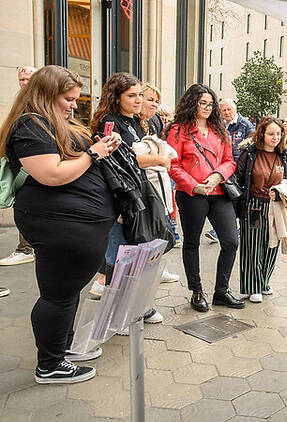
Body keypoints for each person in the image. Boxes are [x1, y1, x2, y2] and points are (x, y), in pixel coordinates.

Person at [0, 65, 120, 383]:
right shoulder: (29, 125)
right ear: (46, 95)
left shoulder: (47, 124)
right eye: (68, 99)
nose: (72, 105)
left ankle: (59, 352)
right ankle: (50, 364)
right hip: (57, 224)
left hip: (72, 223)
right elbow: (51, 174)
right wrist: (93, 154)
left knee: (65, 293)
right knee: (58, 295)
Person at [87, 73, 167, 325]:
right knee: (120, 259)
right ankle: (117, 316)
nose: (138, 100)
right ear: (116, 97)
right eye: (131, 96)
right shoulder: (110, 123)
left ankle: (137, 306)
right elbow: (122, 161)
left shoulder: (135, 121)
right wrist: (159, 159)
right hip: (117, 201)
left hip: (137, 197)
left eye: (139, 95)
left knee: (139, 254)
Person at [166, 83, 244, 312]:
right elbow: (172, 164)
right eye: (203, 103)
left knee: (231, 241)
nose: (208, 108)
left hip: (219, 191)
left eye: (211, 104)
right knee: (192, 242)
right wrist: (194, 185)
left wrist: (217, 176)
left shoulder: (220, 130)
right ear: (192, 103)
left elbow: (230, 160)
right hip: (192, 194)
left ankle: (221, 290)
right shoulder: (178, 130)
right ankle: (196, 291)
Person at [235, 116, 287, 303]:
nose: (275, 137)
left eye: (278, 133)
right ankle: (252, 286)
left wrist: (279, 194)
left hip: (275, 207)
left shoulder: (284, 156)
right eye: (271, 133)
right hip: (254, 206)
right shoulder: (250, 153)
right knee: (252, 246)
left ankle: (263, 282)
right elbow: (238, 178)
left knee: (272, 245)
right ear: (262, 134)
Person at [0, 66, 40, 267]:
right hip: (21, 163)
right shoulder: (21, 102)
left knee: (27, 204)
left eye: (28, 78)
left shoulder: (38, 103)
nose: (24, 83)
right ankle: (27, 247)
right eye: (21, 79)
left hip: (32, 165)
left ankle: (26, 249)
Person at [204, 98, 254, 243]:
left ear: (235, 109)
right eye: (223, 110)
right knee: (229, 198)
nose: (226, 113)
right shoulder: (220, 125)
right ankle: (226, 228)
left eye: (229, 110)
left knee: (232, 198)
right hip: (224, 169)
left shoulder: (245, 125)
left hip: (238, 169)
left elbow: (252, 142)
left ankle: (227, 229)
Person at [140, 83, 181, 249]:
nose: (154, 104)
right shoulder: (125, 122)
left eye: (156, 101)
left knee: (158, 231)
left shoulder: (154, 120)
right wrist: (160, 160)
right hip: (140, 186)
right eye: (150, 99)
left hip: (155, 182)